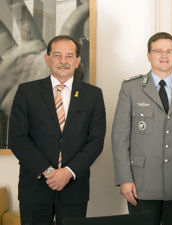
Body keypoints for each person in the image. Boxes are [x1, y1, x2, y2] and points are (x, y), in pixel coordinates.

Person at [8, 35, 106, 225]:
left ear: (77, 61)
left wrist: (68, 172)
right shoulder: (26, 92)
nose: (63, 61)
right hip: (35, 188)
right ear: (47, 59)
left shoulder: (93, 95)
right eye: (57, 55)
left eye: (69, 56)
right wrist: (48, 171)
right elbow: (17, 138)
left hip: (74, 189)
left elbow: (95, 141)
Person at [111, 32, 172, 225]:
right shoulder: (131, 88)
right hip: (141, 183)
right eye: (158, 51)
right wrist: (124, 179)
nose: (164, 55)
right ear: (148, 55)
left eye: (169, 51)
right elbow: (120, 138)